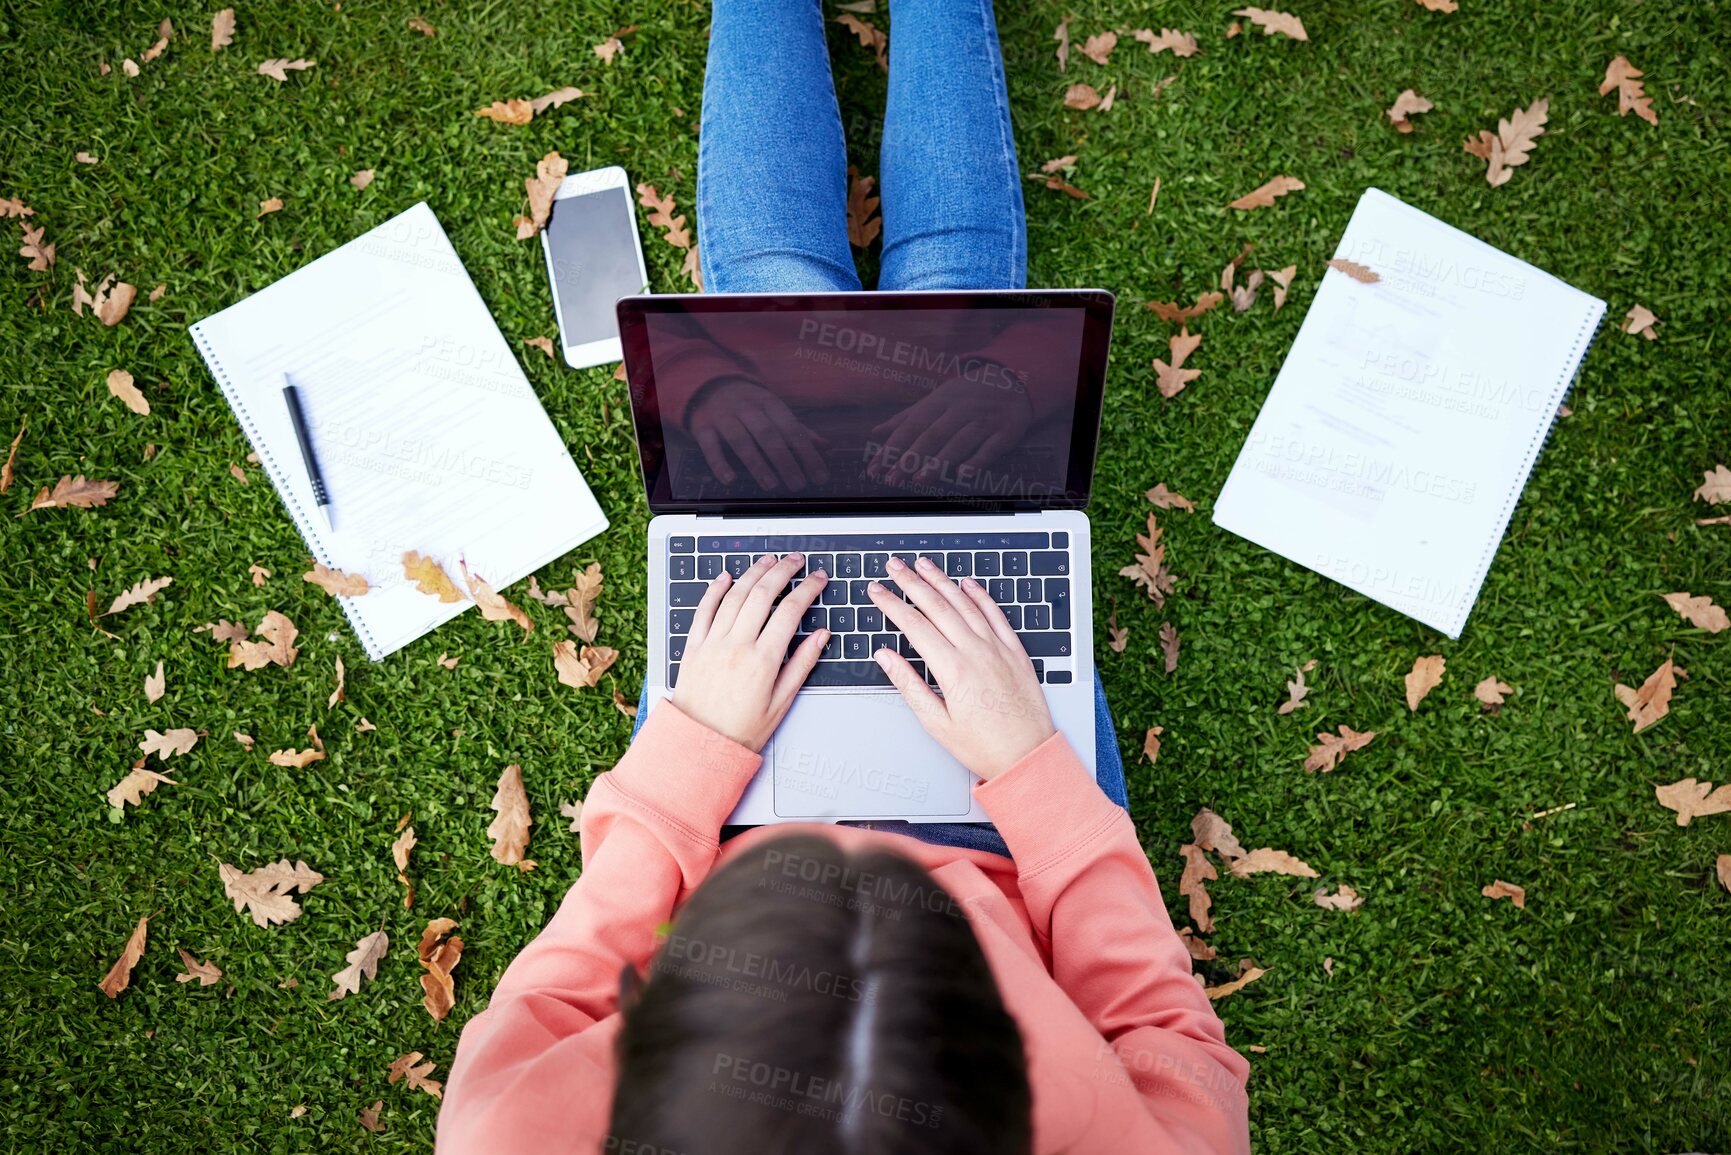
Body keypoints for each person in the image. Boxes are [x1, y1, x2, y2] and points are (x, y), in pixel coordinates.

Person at [437, 1, 1252, 1151]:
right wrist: (1029, 763)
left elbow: (560, 990)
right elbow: (1166, 1039)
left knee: (772, 289)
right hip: (1007, 840)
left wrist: (690, 754)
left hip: (727, 816)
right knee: (956, 290)